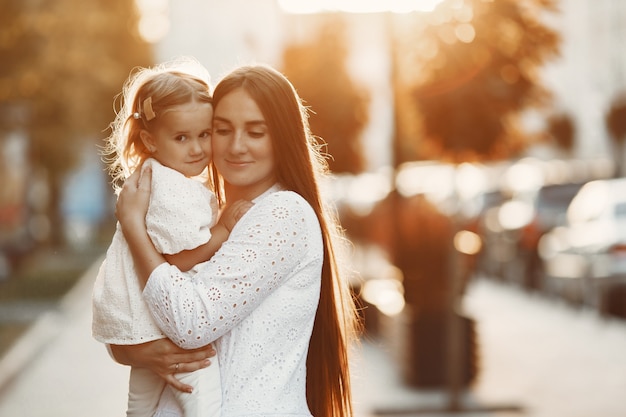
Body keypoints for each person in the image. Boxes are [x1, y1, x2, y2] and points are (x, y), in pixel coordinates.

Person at [112, 63, 361, 417]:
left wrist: (134, 226)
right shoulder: (206, 218)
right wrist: (130, 351)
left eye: (256, 132)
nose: (237, 146)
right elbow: (133, 305)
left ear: (282, 138)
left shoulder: (282, 214)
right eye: (222, 130)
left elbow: (191, 322)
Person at [92, 58, 249, 417]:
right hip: (159, 321)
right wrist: (223, 231)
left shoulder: (156, 175)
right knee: (204, 401)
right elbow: (176, 260)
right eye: (182, 138)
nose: (197, 149)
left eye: (204, 134)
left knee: (140, 407)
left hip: (139, 324)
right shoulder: (169, 187)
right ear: (150, 139)